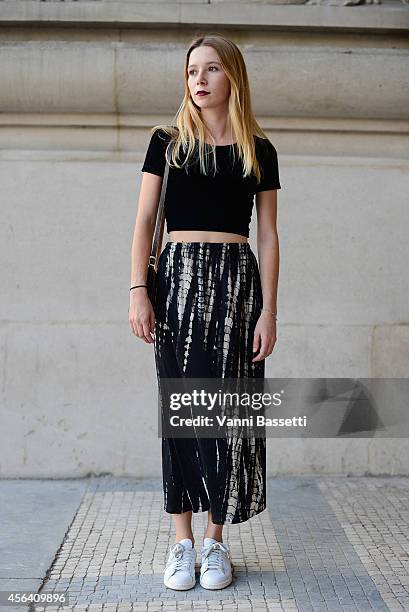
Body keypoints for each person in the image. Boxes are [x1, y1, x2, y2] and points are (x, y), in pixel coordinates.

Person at [129, 33, 281, 591]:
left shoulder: (258, 150)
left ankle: (216, 542)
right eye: (192, 69)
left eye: (212, 68)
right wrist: (137, 288)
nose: (199, 78)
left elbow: (268, 234)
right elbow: (145, 222)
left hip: (237, 286)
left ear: (232, 79)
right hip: (177, 281)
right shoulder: (166, 143)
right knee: (181, 409)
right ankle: (181, 542)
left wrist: (269, 311)